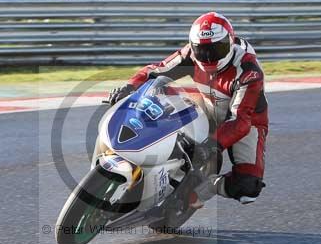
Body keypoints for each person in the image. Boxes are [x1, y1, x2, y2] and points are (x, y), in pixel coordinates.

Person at [107, 12, 268, 205]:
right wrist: (130, 86)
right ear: (193, 45)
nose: (208, 57)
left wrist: (212, 145)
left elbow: (240, 121)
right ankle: (137, 155)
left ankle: (200, 192)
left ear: (230, 42)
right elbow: (158, 70)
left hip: (246, 122)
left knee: (248, 188)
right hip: (206, 105)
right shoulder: (190, 54)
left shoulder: (249, 72)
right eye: (202, 50)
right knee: (158, 97)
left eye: (216, 49)